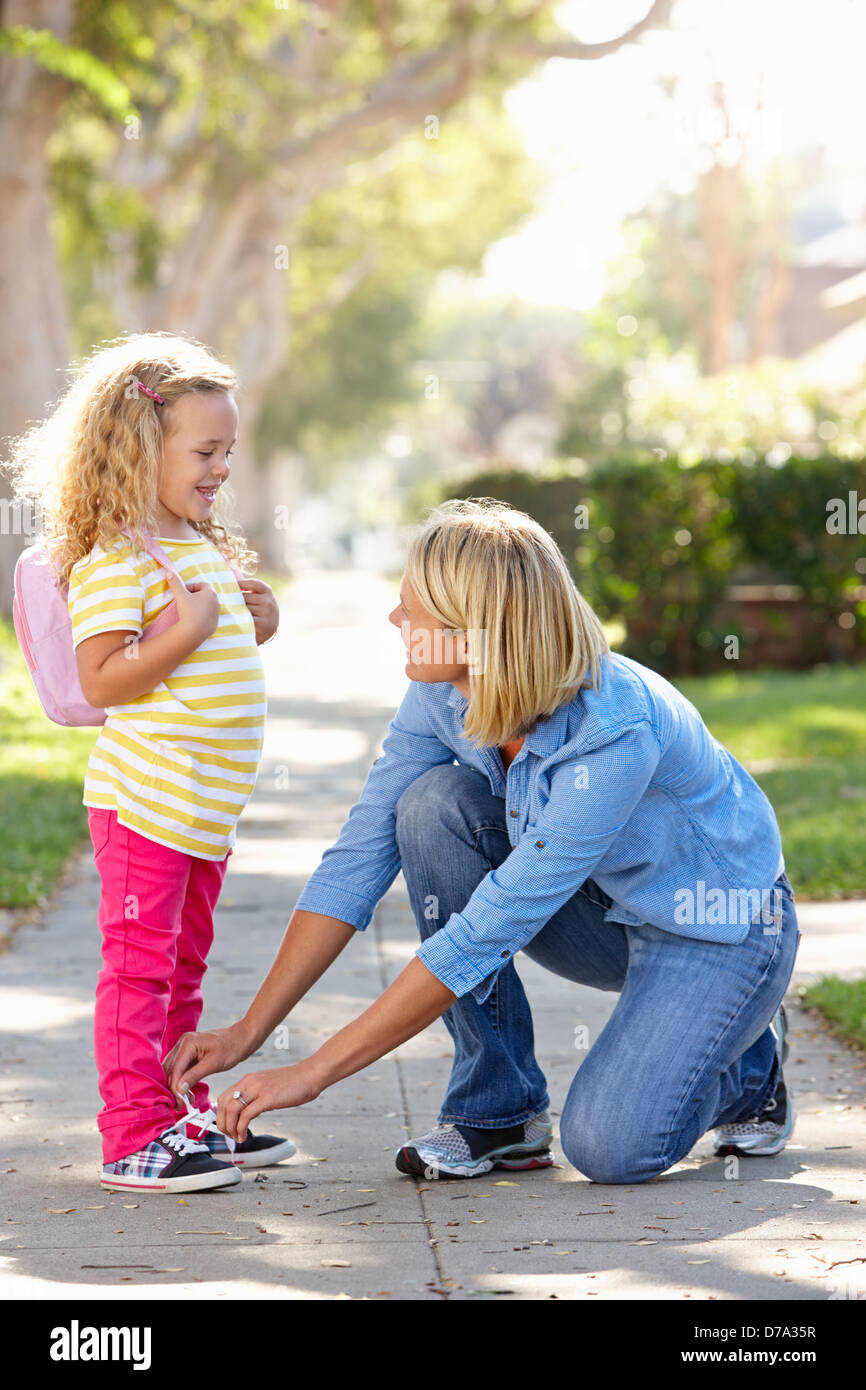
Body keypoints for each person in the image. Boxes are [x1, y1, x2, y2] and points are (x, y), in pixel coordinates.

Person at [165, 497, 801, 1185]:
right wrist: (248, 1032)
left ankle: (749, 1068)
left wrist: (313, 1073)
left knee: (609, 1148)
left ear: (471, 634)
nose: (393, 619)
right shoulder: (442, 693)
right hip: (604, 911)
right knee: (430, 807)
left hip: (718, 929)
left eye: (412, 608)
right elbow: (356, 862)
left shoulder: (611, 733)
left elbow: (481, 936)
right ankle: (500, 1113)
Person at [4, 331, 295, 1193]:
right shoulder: (113, 559)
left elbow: (212, 656)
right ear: (142, 447)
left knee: (183, 969)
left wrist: (256, 620)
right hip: (146, 807)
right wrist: (192, 630)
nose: (221, 469)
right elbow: (106, 675)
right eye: (205, 451)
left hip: (202, 814)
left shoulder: (197, 547)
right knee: (140, 969)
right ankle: (133, 1131)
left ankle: (180, 1112)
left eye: (229, 452)